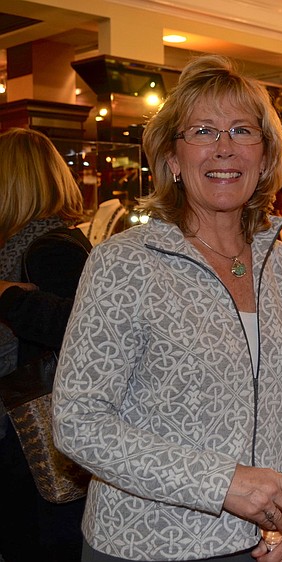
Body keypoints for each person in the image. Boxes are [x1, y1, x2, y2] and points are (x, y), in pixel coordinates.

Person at [52, 55, 282, 562]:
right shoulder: (125, 262)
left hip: (266, 546)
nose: (224, 147)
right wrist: (223, 482)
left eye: (242, 130)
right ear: (173, 159)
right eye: (203, 131)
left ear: (265, 157)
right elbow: (77, 421)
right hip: (147, 544)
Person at [0, 127, 90, 562]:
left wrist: (9, 297)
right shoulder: (52, 242)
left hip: (38, 439)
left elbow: (81, 330)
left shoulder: (48, 249)